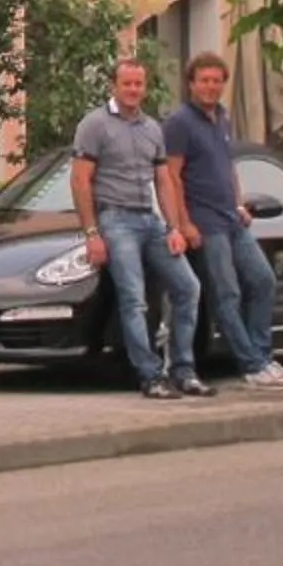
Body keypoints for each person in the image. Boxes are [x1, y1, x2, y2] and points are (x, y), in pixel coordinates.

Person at [72, 56, 209, 400]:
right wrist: (92, 234)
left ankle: (183, 369)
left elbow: (163, 180)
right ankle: (149, 375)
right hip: (115, 220)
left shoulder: (152, 129)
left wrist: (174, 226)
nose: (133, 90)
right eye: (127, 84)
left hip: (151, 220)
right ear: (114, 87)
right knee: (134, 299)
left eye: (139, 84)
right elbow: (80, 180)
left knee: (188, 288)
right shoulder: (95, 125)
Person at [163, 51, 283, 391]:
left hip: (230, 219)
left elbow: (228, 165)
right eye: (203, 80)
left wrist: (238, 204)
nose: (210, 87)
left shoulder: (222, 116)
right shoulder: (179, 123)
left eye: (216, 81)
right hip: (205, 222)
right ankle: (250, 365)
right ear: (191, 84)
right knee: (227, 294)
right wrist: (184, 223)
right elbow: (171, 176)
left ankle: (263, 356)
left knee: (263, 280)